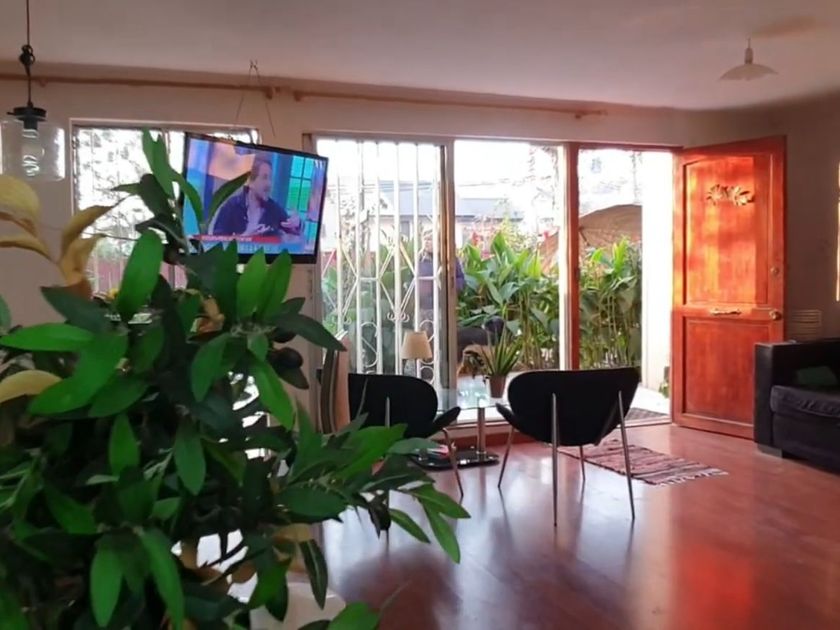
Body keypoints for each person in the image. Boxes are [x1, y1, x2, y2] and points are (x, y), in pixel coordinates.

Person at [211, 155, 301, 237]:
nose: (269, 184)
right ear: (250, 182)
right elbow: (217, 241)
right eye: (264, 178)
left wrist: (297, 224)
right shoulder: (231, 207)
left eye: (270, 178)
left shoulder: (274, 209)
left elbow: (292, 229)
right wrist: (245, 237)